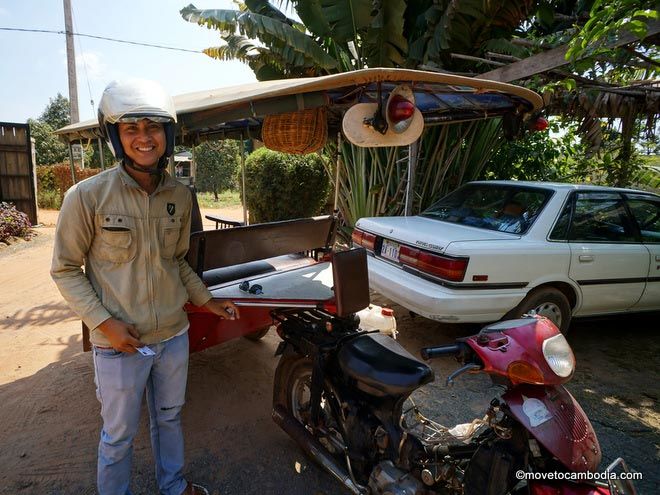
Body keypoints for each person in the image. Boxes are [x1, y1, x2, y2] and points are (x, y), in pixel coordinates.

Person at [51, 79, 239, 495]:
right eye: (131, 127)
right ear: (115, 136)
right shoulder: (86, 197)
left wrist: (207, 300)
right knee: (117, 435)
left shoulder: (180, 195)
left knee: (170, 418)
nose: (143, 137)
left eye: (152, 127)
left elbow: (174, 261)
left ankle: (172, 486)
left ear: (167, 134)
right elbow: (65, 269)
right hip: (120, 344)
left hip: (174, 336)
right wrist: (105, 324)